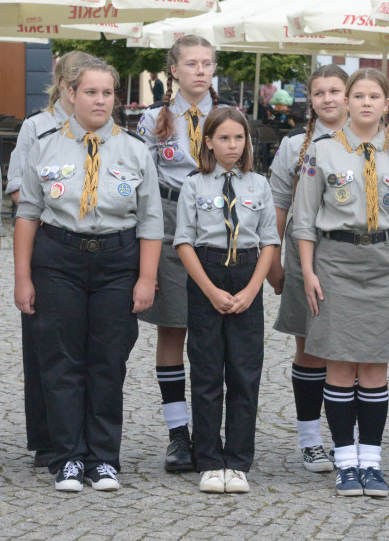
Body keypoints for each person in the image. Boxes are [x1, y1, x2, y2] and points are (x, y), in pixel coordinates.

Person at [15, 59, 162, 492]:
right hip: (59, 257)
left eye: (107, 93)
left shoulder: (135, 149)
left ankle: (102, 458)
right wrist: (22, 278)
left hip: (118, 261)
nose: (100, 100)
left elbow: (151, 220)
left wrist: (147, 278)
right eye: (90, 92)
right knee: (61, 361)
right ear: (70, 94)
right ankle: (67, 458)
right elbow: (26, 213)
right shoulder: (44, 145)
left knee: (108, 361)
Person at [293, 67, 389, 497]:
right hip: (336, 261)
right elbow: (305, 219)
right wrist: (309, 271)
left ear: (387, 105)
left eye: (375, 97)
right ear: (347, 102)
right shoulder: (322, 151)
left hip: (385, 262)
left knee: (375, 367)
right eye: (359, 96)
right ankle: (345, 461)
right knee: (340, 364)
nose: (366, 103)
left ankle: (372, 459)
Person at [135, 35, 227, 472]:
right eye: (191, 63)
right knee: (172, 329)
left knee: (212, 334)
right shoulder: (154, 119)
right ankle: (178, 434)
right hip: (171, 218)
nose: (201, 71)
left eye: (207, 63)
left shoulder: (229, 117)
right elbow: (144, 184)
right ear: (174, 71)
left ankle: (210, 430)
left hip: (217, 224)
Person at [175, 107, 277, 494]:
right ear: (208, 143)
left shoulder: (259, 185)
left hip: (247, 275)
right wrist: (210, 290)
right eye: (223, 138)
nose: (232, 145)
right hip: (207, 275)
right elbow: (183, 241)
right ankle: (209, 460)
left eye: (239, 138)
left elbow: (269, 241)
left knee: (244, 373)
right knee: (205, 373)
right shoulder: (194, 185)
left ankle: (237, 461)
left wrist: (253, 290)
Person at [6, 50, 92, 468]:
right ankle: (47, 437)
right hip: (47, 241)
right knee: (45, 342)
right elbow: (19, 189)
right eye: (80, 85)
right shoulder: (36, 127)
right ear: (63, 85)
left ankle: (87, 434)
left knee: (89, 345)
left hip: (93, 245)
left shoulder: (104, 125)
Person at [266, 65, 349, 473]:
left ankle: (346, 438)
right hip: (305, 257)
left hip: (354, 260)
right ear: (310, 101)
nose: (328, 98)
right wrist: (273, 263)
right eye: (320, 92)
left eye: (336, 90)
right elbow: (278, 205)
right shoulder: (293, 145)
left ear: (350, 96)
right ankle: (310, 438)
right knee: (310, 349)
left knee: (351, 350)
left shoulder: (373, 142)